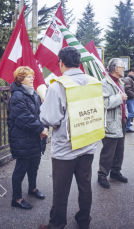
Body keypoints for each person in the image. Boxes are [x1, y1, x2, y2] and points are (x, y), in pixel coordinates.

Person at [39, 47, 99, 229]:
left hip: (65, 149)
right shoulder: (94, 82)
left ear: (61, 63)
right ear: (78, 62)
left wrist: (44, 106)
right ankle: (83, 220)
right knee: (85, 186)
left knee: (61, 190)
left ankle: (57, 224)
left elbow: (50, 119)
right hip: (88, 144)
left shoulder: (58, 86)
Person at [7, 66, 48, 209]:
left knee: (34, 166)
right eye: (29, 76)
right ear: (21, 79)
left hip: (34, 138)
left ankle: (33, 189)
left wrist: (44, 125)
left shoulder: (33, 94)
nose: (33, 78)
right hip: (22, 139)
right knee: (21, 169)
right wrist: (41, 129)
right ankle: (16, 199)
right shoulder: (17, 96)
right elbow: (25, 118)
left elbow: (38, 114)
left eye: (32, 76)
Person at [98, 58, 128, 189]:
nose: (124, 69)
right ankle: (102, 175)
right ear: (115, 68)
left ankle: (115, 172)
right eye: (122, 67)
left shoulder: (119, 82)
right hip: (110, 122)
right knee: (108, 151)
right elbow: (104, 103)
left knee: (119, 149)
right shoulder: (104, 83)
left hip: (121, 121)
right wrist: (119, 97)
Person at [124, 68, 134, 132]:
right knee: (132, 113)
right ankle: (124, 117)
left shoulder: (130, 79)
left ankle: (127, 128)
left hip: (130, 98)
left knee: (131, 112)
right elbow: (127, 89)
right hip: (129, 99)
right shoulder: (128, 79)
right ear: (130, 72)